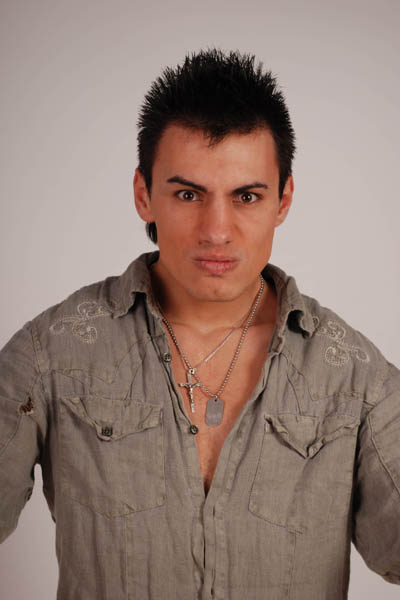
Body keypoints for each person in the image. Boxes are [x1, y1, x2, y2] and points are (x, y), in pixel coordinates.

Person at [0, 48, 399, 600]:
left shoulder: (356, 377)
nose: (216, 230)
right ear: (144, 195)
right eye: (188, 194)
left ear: (283, 200)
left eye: (246, 196)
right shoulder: (51, 353)